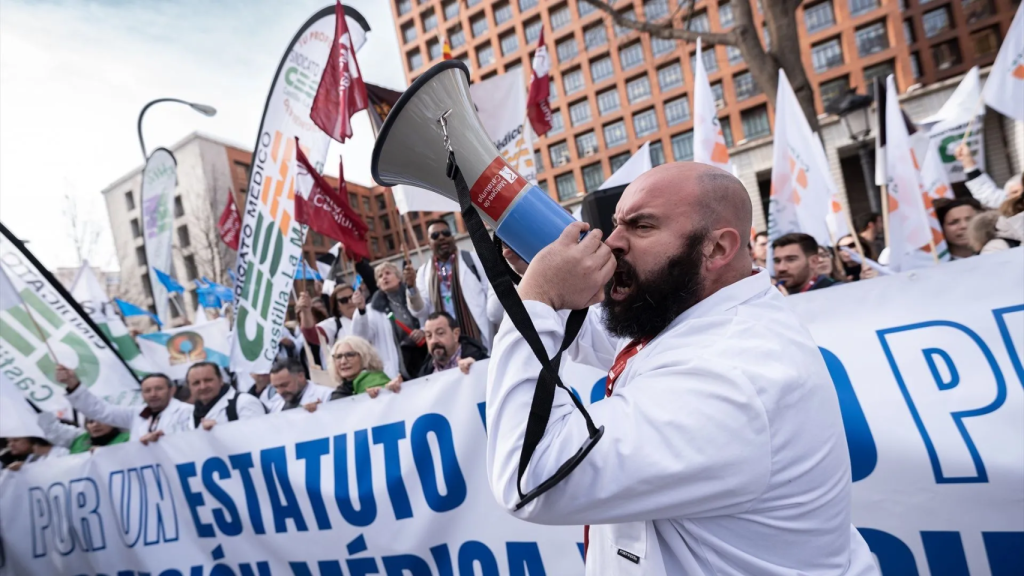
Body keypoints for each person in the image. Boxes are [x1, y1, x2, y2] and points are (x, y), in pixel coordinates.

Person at [486, 162, 876, 574]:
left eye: (641, 226)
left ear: (717, 249)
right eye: (617, 224)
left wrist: (540, 298)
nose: (612, 241)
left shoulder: (731, 375)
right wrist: (547, 274)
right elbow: (606, 335)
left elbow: (532, 475)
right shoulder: (703, 310)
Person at [410, 218, 494, 352]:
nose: (442, 237)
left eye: (446, 233)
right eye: (435, 235)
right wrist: (411, 288)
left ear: (452, 237)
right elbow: (421, 311)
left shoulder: (472, 259)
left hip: (477, 337)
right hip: (445, 343)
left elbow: (490, 296)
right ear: (429, 244)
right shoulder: (423, 272)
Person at [56, 366, 192, 445]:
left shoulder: (187, 412)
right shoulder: (136, 414)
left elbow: (190, 444)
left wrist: (159, 441)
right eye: (147, 390)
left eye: (158, 389)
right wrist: (73, 384)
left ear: (172, 390)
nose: (153, 394)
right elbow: (99, 411)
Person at [351, 261, 426, 379]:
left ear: (399, 277)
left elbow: (427, 315)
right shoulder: (372, 310)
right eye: (380, 276)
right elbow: (361, 337)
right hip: (402, 365)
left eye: (388, 273)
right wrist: (361, 311)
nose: (384, 277)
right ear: (378, 284)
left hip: (425, 355)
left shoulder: (414, 295)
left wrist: (423, 331)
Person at [305, 337, 398, 411]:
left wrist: (382, 394)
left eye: (350, 355)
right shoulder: (340, 392)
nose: (343, 361)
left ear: (364, 357)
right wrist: (320, 411)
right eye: (338, 357)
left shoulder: (377, 382)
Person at [188, 362, 266, 430]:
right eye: (196, 383)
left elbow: (257, 436)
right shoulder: (191, 414)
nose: (203, 386)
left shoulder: (245, 402)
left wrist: (220, 430)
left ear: (221, 380)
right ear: (189, 387)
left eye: (208, 380)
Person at [298, 283, 358, 368]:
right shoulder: (334, 324)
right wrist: (306, 311)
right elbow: (311, 334)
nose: (350, 302)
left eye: (352, 297)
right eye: (343, 300)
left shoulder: (371, 315)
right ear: (337, 306)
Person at [418, 311, 489, 377]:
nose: (434, 340)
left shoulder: (479, 359)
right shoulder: (425, 373)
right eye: (429, 335)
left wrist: (477, 368)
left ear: (456, 334)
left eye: (440, 333)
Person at [955, 143, 1022, 209]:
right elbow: (986, 194)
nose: (1020, 195)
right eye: (1015, 192)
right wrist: (967, 159)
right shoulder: (1010, 203)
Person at [772, 233, 843, 294]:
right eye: (777, 261)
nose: (781, 268)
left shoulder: (837, 291)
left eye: (791, 260)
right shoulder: (772, 295)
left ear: (814, 261)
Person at [37, 412, 130, 454]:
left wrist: (106, 454)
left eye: (101, 420)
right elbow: (51, 430)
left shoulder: (128, 438)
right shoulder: (78, 438)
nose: (95, 425)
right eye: (91, 421)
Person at [268, 357, 333, 412]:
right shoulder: (274, 403)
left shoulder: (327, 395)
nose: (280, 391)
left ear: (301, 376)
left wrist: (321, 411)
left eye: (284, 385)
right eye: (276, 387)